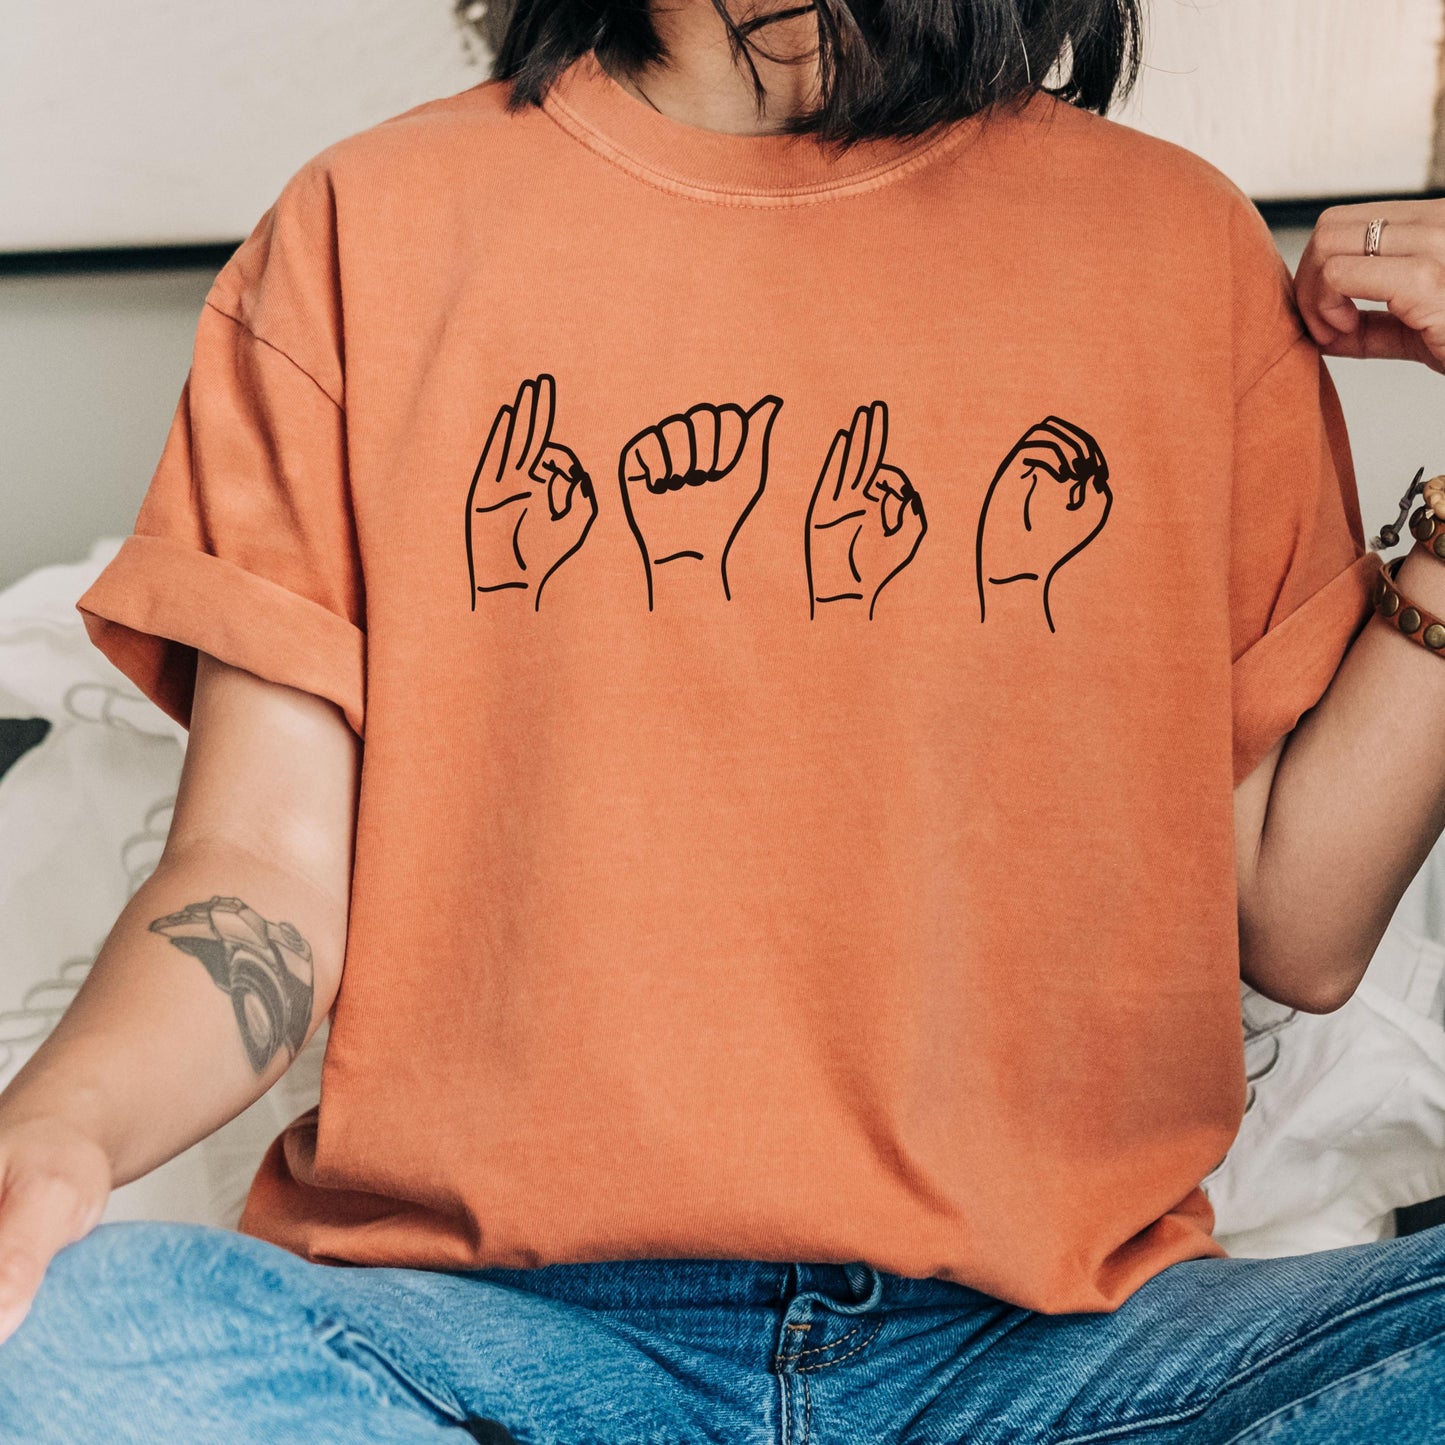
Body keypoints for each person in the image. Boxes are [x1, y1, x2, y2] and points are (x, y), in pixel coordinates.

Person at [1, 0, 1443, 1438]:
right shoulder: (360, 229)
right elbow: (261, 868)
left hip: (1059, 1357)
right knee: (83, 1336)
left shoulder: (1175, 247)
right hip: (497, 1343)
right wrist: (57, 1127)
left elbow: (1299, 922)